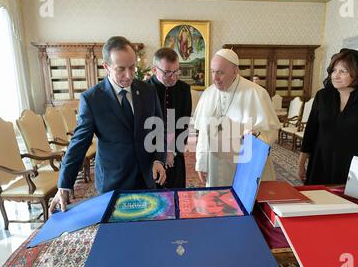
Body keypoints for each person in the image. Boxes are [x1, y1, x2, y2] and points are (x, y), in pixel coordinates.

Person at [49, 36, 166, 213]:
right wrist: (64, 185)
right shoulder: (92, 99)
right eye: (121, 69)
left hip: (147, 177)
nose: (129, 75)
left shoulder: (148, 91)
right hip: (113, 180)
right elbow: (79, 143)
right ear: (106, 67)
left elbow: (158, 129)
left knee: (147, 229)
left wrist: (158, 158)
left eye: (132, 67)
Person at [193, 49, 281, 187]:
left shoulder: (256, 93)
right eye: (213, 72)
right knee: (218, 202)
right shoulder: (208, 94)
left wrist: (255, 137)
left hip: (245, 164)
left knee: (246, 204)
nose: (215, 78)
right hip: (214, 164)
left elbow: (271, 131)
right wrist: (201, 163)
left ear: (235, 71)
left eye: (220, 72)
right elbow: (203, 134)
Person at [297, 48, 358, 185]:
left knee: (349, 202)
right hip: (321, 160)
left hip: (352, 163)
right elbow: (311, 130)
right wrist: (301, 163)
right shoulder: (323, 96)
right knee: (318, 200)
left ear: (357, 73)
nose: (335, 76)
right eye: (334, 70)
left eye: (343, 71)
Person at [146, 47, 192, 188]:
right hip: (150, 154)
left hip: (175, 153)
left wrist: (173, 151)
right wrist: (160, 155)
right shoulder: (144, 90)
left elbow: (183, 124)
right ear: (155, 70)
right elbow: (144, 127)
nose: (173, 77)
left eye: (176, 71)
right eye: (167, 73)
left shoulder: (184, 89)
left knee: (176, 192)